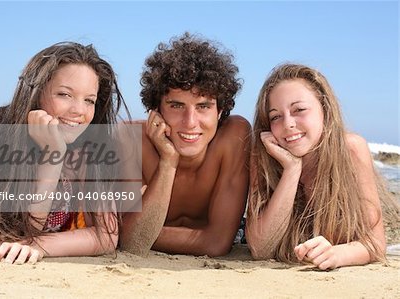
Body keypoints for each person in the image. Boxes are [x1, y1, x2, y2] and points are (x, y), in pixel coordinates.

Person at [0, 42, 127, 264]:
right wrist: (52, 156)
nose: (79, 111)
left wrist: (40, 245)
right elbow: (16, 233)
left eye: (89, 100)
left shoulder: (89, 146)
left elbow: (106, 236)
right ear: (37, 92)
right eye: (65, 94)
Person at [120, 33, 251, 257]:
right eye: (177, 105)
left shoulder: (234, 136)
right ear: (156, 111)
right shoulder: (130, 139)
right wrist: (168, 161)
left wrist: (138, 231)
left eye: (203, 106)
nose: (190, 122)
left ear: (220, 112)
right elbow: (133, 242)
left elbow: (217, 243)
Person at [246, 63, 388, 270]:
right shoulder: (264, 156)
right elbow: (260, 249)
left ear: (325, 109)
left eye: (299, 110)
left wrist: (338, 255)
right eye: (275, 116)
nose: (288, 124)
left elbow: (375, 242)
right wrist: (291, 170)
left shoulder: (351, 151)